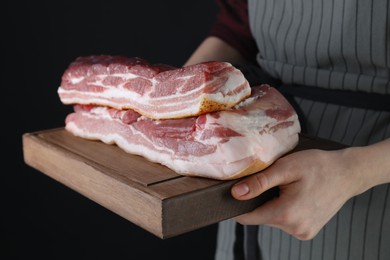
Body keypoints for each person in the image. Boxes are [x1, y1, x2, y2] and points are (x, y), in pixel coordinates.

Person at [184, 0, 390, 259]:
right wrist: (172, 99)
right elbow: (239, 29)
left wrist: (354, 172)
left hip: (369, 181)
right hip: (252, 138)